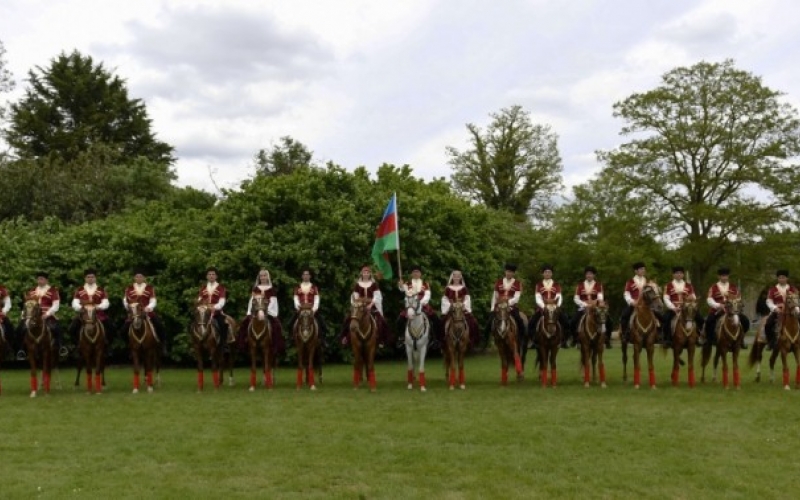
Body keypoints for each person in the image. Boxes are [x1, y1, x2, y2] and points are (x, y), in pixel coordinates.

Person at [17, 271, 66, 359]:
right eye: (38, 279)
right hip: (32, 315)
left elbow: (56, 305)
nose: (40, 281)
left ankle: (61, 347)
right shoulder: (32, 291)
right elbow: (27, 304)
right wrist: (24, 314)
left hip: (47, 314)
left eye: (42, 279)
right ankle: (21, 350)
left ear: (46, 280)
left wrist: (47, 314)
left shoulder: (53, 291)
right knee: (21, 328)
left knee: (57, 328)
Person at [122, 269, 168, 355]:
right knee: (123, 330)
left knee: (159, 325)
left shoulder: (149, 288)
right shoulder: (129, 288)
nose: (139, 278)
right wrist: (128, 307)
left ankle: (163, 344)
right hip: (134, 313)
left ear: (144, 278)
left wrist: (148, 308)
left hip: (147, 313)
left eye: (141, 276)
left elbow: (153, 300)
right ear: (134, 278)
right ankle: (128, 346)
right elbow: (125, 300)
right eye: (137, 276)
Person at [340, 265, 390, 346]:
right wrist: (357, 303)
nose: (366, 274)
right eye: (364, 272)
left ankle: (381, 339)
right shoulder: (357, 284)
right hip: (359, 306)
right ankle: (346, 338)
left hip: (371, 306)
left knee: (381, 321)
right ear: (361, 274)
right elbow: (355, 295)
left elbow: (377, 296)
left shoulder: (374, 284)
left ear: (370, 274)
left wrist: (370, 305)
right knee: (348, 319)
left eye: (367, 272)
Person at [68, 268, 114, 354]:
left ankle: (107, 346)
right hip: (84, 315)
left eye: (92, 277)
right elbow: (74, 302)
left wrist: (99, 307)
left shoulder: (101, 290)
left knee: (111, 327)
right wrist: (81, 308)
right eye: (88, 277)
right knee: (72, 328)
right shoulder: (79, 290)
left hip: (98, 315)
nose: (90, 279)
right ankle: (77, 345)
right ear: (85, 278)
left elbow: (106, 302)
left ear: (95, 278)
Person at [238, 269, 283, 353]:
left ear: (267, 277)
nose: (263, 277)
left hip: (268, 311)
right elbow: (252, 301)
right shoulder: (256, 289)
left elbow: (273, 302)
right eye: (261, 276)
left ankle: (274, 344)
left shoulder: (271, 290)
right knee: (244, 323)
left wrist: (264, 310)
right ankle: (245, 341)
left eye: (264, 275)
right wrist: (249, 312)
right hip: (256, 311)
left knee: (276, 325)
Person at [705, 267, 750, 349]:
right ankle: (710, 340)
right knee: (709, 321)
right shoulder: (713, 287)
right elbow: (709, 299)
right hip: (718, 310)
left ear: (728, 276)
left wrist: (735, 305)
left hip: (732, 310)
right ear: (719, 277)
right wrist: (718, 305)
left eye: (726, 276)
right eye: (722, 276)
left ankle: (741, 339)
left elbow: (739, 298)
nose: (724, 277)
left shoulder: (733, 287)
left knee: (745, 321)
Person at [570, 266, 613, 349]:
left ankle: (607, 340)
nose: (589, 275)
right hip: (583, 308)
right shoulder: (580, 285)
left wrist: (594, 304)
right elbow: (576, 298)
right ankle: (575, 339)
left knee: (609, 320)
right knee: (573, 321)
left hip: (595, 308)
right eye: (587, 274)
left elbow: (600, 297)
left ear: (594, 275)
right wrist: (585, 305)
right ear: (585, 275)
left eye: (591, 274)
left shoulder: (598, 285)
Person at [661, 266, 705, 346]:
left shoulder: (689, 286)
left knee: (700, 318)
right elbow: (666, 298)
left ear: (683, 275)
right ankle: (667, 339)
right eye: (677, 273)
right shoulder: (669, 285)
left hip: (687, 308)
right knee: (666, 319)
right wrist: (673, 307)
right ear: (673, 275)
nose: (679, 275)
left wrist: (692, 298)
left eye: (680, 273)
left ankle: (700, 336)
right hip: (674, 308)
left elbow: (694, 297)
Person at [620, 262, 662, 343]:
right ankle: (625, 334)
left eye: (644, 269)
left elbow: (654, 293)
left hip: (647, 305)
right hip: (635, 304)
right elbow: (626, 294)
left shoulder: (648, 281)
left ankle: (660, 335)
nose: (643, 270)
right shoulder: (630, 282)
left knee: (660, 316)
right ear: (636, 271)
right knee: (624, 316)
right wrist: (632, 302)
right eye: (641, 269)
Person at [397, 265, 440, 343]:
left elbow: (427, 295)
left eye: (418, 272)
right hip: (410, 305)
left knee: (435, 319)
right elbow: (402, 289)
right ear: (411, 274)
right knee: (400, 320)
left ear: (420, 274)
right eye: (414, 272)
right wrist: (400, 285)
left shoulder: (425, 284)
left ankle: (435, 339)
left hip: (423, 305)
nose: (416, 273)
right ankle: (401, 337)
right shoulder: (407, 283)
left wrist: (420, 303)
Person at [530, 264, 569, 348]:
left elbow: (559, 296)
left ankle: (564, 340)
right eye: (545, 272)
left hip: (554, 307)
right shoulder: (539, 285)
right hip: (543, 308)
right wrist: (543, 306)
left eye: (549, 272)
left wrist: (556, 306)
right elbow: (538, 297)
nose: (547, 274)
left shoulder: (556, 285)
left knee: (565, 321)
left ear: (552, 274)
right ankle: (534, 340)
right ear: (543, 274)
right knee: (532, 322)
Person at [487, 263, 525, 345]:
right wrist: (493, 307)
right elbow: (495, 296)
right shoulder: (499, 282)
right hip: (499, 306)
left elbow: (517, 297)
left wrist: (508, 303)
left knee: (519, 320)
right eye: (507, 271)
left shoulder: (517, 283)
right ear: (505, 272)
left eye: (511, 272)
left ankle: (522, 337)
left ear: (513, 273)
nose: (509, 273)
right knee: (489, 321)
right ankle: (488, 339)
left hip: (511, 306)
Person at [440, 270, 480, 347]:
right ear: (452, 277)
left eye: (458, 276)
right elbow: (444, 299)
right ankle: (443, 340)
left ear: (461, 277)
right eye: (455, 276)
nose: (456, 277)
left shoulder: (464, 288)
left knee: (473, 322)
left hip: (462, 309)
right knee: (442, 322)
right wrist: (450, 306)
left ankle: (470, 340)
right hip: (451, 310)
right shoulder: (448, 288)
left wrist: (463, 305)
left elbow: (467, 298)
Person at [289, 269, 328, 346]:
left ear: (310, 276)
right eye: (304, 274)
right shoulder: (297, 287)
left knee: (322, 324)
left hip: (311, 310)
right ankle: (291, 339)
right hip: (301, 310)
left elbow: (317, 299)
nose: (305, 276)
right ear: (302, 276)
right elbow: (295, 298)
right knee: (290, 323)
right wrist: (298, 308)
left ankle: (322, 339)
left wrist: (314, 310)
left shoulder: (314, 287)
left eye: (307, 274)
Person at [764, 270, 799, 350]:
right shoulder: (773, 289)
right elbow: (769, 301)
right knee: (768, 324)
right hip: (777, 311)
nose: (781, 279)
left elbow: (796, 301)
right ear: (777, 279)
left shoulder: (793, 289)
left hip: (791, 311)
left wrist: (797, 309)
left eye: (783, 278)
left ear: (787, 278)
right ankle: (770, 342)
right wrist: (775, 308)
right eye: (779, 278)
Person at [196, 267, 231, 345]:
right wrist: (200, 306)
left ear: (216, 276)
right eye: (209, 274)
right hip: (204, 312)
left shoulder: (220, 287)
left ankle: (224, 344)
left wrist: (215, 307)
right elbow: (199, 299)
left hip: (216, 312)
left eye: (213, 274)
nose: (211, 276)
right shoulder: (203, 288)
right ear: (207, 276)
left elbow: (222, 301)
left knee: (223, 324)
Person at [0, 281, 13, 357]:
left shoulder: (2, 289)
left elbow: (8, 302)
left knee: (9, 327)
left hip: (0, 314)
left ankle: (9, 347)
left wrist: (3, 311)